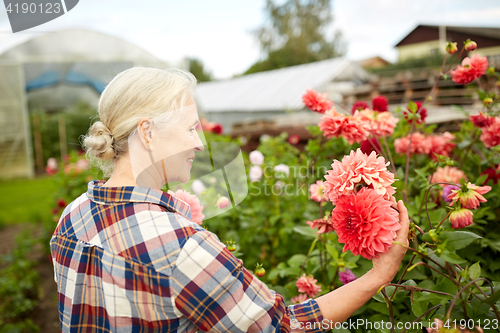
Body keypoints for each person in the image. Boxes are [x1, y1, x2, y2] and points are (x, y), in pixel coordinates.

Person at [50, 67, 410, 333]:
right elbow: (281, 328)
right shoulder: (182, 246)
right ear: (147, 131)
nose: (199, 143)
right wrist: (379, 275)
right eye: (191, 127)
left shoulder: (72, 218)